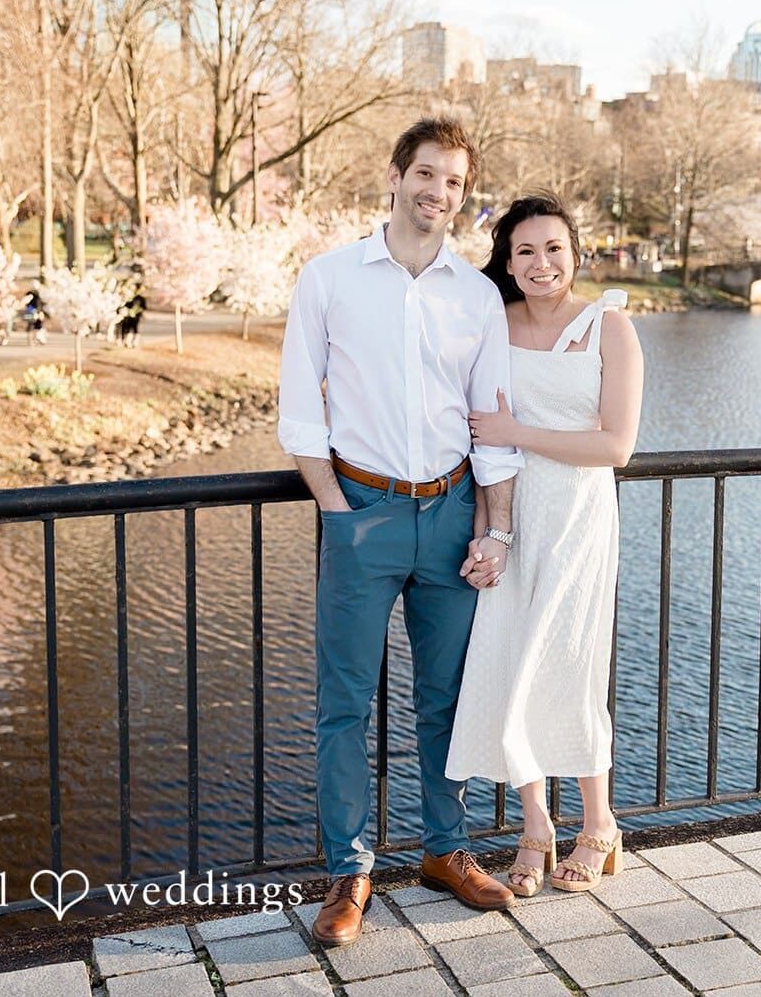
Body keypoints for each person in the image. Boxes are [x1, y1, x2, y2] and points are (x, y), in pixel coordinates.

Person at [276, 117, 523, 948]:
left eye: (453, 182)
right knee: (344, 704)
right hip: (362, 512)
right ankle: (349, 872)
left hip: (451, 514)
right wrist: (334, 509)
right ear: (394, 175)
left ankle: (445, 850)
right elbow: (299, 406)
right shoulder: (329, 278)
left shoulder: (475, 295)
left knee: (446, 698)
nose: (437, 192)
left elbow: (491, 422)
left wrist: (497, 529)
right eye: (425, 174)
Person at [446, 194, 644, 897]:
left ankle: (600, 824)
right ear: (506, 261)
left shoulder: (609, 326)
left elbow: (615, 446)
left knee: (571, 664)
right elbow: (478, 440)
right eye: (525, 250)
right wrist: (487, 531)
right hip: (511, 519)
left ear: (575, 254)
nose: (541, 262)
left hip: (578, 520)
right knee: (510, 662)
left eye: (554, 248)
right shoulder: (492, 325)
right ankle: (536, 826)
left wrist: (517, 432)